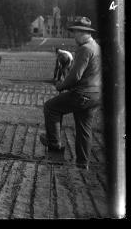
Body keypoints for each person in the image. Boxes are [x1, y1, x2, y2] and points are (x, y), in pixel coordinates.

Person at [40, 17, 101, 170]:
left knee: (51, 107)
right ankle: (82, 165)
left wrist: (60, 86)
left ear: (83, 32)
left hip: (82, 94)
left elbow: (75, 76)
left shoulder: (85, 49)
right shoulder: (96, 47)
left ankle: (55, 149)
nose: (74, 36)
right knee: (84, 130)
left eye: (75, 32)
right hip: (96, 95)